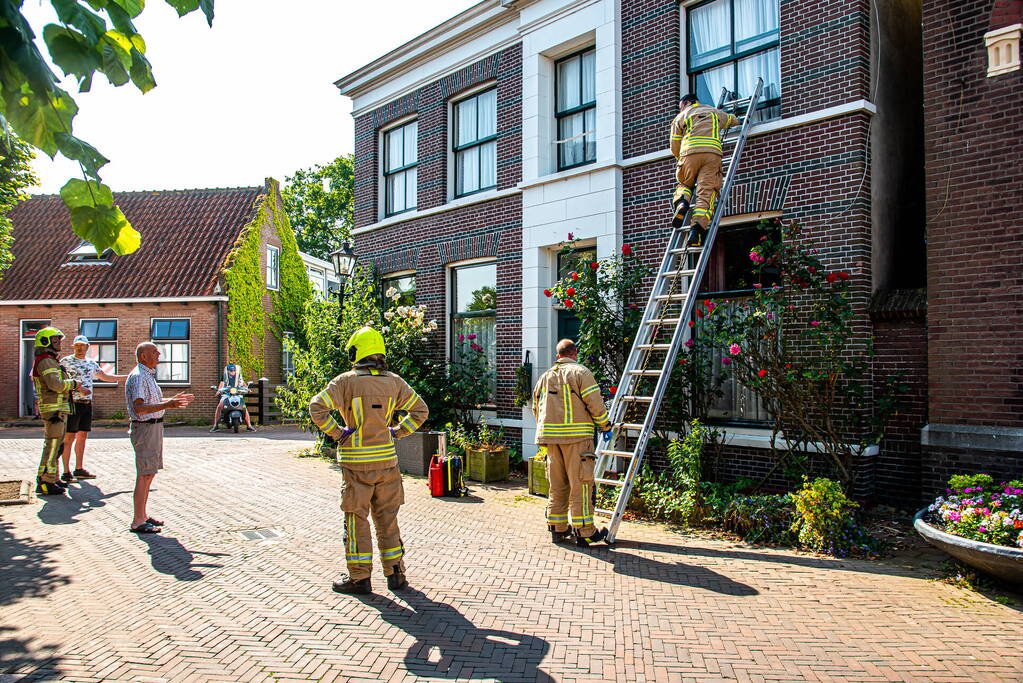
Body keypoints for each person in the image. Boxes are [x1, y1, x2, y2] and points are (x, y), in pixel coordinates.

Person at [309, 326, 428, 595]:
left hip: (356, 465)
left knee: (356, 519)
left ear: (356, 351)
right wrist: (399, 431)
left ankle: (359, 578)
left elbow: (317, 407)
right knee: (388, 519)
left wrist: (338, 432)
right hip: (387, 463)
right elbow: (421, 410)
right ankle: (396, 573)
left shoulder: (345, 382)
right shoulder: (395, 382)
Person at [532, 339, 613, 546]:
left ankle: (558, 529)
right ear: (574, 353)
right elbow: (594, 402)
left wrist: (547, 432)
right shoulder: (581, 373)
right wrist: (605, 426)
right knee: (581, 485)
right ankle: (585, 531)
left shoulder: (544, 377)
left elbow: (536, 408)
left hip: (551, 441)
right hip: (578, 440)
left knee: (557, 485)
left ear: (558, 355)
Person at [124, 342, 193, 534]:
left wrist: (170, 401)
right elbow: (139, 407)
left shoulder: (147, 375)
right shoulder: (139, 377)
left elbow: (150, 403)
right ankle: (137, 520)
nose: (159, 354)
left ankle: (143, 515)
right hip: (145, 429)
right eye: (155, 352)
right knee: (144, 473)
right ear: (143, 356)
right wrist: (168, 405)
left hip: (153, 428)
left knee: (150, 472)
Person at [669, 93, 740, 247]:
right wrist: (736, 116)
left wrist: (681, 159)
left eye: (681, 106)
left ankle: (682, 203)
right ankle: (696, 230)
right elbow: (733, 120)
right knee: (706, 193)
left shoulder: (681, 117)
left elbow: (674, 145)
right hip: (712, 156)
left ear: (688, 102)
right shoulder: (714, 112)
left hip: (688, 155)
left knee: (684, 184)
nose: (680, 109)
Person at [59, 334, 127, 482]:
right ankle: (65, 471)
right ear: (73, 346)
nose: (79, 348)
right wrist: (78, 389)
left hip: (86, 404)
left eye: (82, 345)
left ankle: (79, 468)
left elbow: (105, 377)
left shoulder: (91, 363)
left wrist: (128, 377)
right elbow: (60, 382)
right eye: (77, 345)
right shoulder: (65, 362)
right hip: (72, 404)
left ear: (87, 347)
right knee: (69, 437)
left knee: (82, 436)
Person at [31, 328, 89, 496]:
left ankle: (52, 478)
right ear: (45, 342)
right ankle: (45, 482)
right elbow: (55, 384)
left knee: (58, 446)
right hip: (53, 411)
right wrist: (74, 383)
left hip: (58, 410)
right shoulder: (46, 361)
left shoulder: (50, 360)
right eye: (56, 340)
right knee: (52, 446)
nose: (60, 343)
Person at [209, 363, 255, 432]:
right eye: (231, 371)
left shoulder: (238, 376)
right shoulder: (225, 377)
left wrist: (247, 388)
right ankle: (215, 425)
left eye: (234, 371)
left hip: (237, 393)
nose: (233, 372)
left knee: (244, 407)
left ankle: (249, 426)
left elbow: (242, 383)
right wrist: (218, 391)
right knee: (219, 406)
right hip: (227, 394)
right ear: (227, 371)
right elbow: (221, 384)